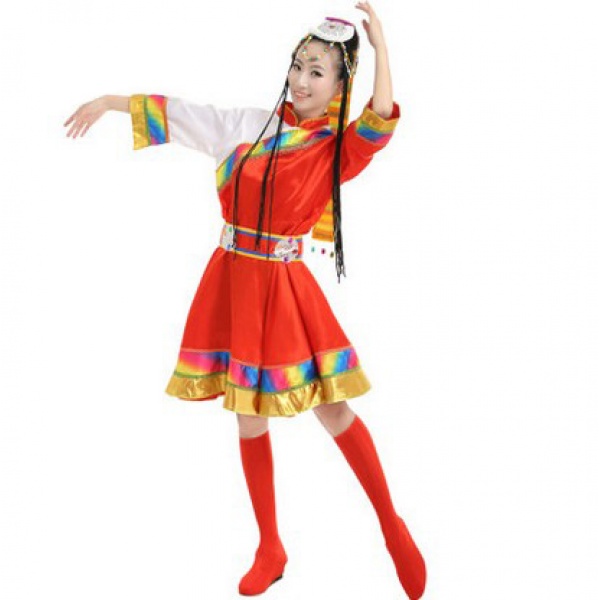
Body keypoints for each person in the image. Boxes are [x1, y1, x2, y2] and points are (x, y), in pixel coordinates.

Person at [63, 2, 426, 598]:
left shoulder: (334, 148)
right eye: (298, 66)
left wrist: (382, 46)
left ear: (339, 87)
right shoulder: (246, 127)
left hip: (284, 287)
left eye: (317, 72)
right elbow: (181, 113)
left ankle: (391, 526)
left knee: (333, 409)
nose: (301, 81)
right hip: (232, 279)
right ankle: (269, 546)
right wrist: (110, 102)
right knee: (247, 413)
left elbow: (380, 118)